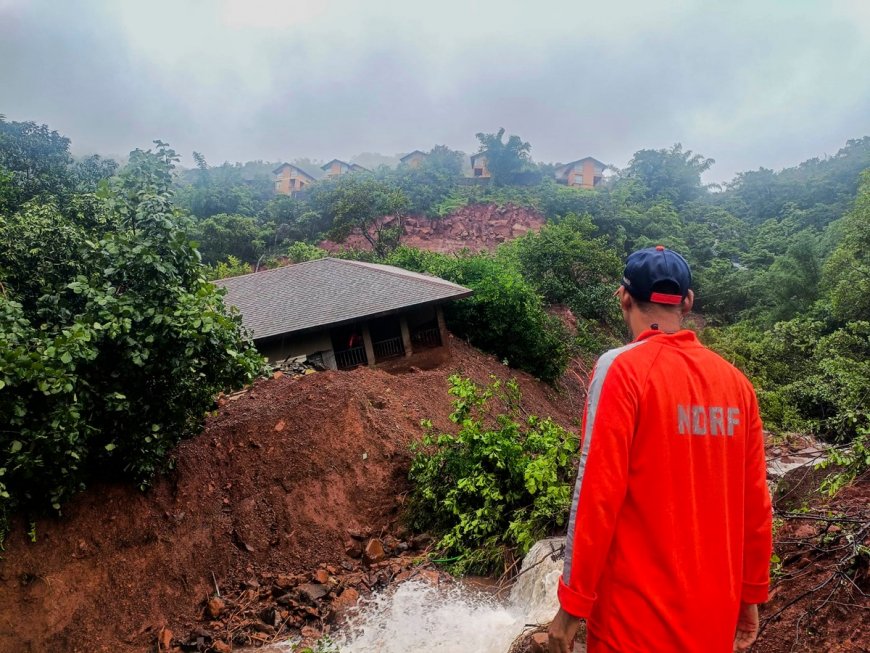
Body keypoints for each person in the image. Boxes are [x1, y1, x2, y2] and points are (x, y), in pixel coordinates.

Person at [548, 245, 772, 653]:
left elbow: (597, 495)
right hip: (714, 620)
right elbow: (756, 504)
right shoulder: (737, 385)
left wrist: (571, 607)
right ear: (687, 301)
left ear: (623, 297)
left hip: (633, 625)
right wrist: (751, 594)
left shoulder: (621, 369)